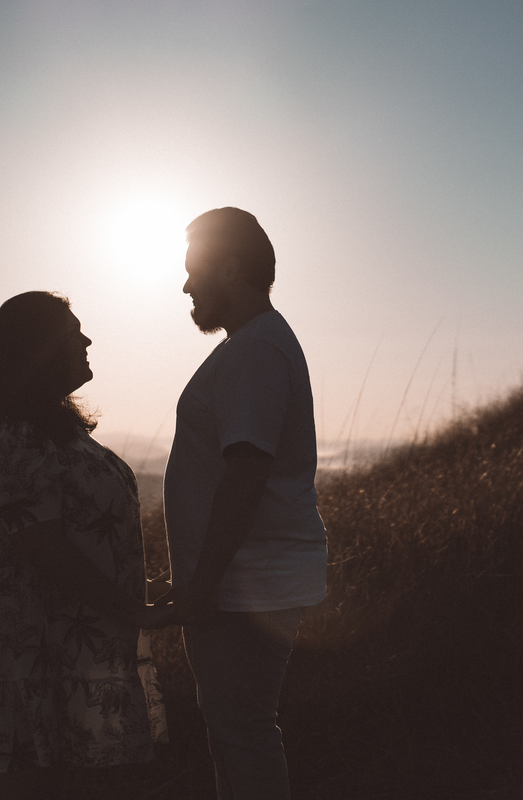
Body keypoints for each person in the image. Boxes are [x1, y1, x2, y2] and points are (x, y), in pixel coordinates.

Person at [0, 291, 172, 800]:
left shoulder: (53, 428)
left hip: (76, 643)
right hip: (34, 650)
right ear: (40, 348)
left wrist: (136, 585)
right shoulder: (9, 433)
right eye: (74, 331)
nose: (87, 339)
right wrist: (132, 608)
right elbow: (42, 546)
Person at [160, 208, 328, 800]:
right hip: (239, 580)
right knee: (233, 731)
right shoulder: (255, 346)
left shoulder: (254, 352)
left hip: (243, 585)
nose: (185, 286)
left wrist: (202, 583)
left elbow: (247, 472)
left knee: (244, 731)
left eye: (193, 271)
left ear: (230, 269)